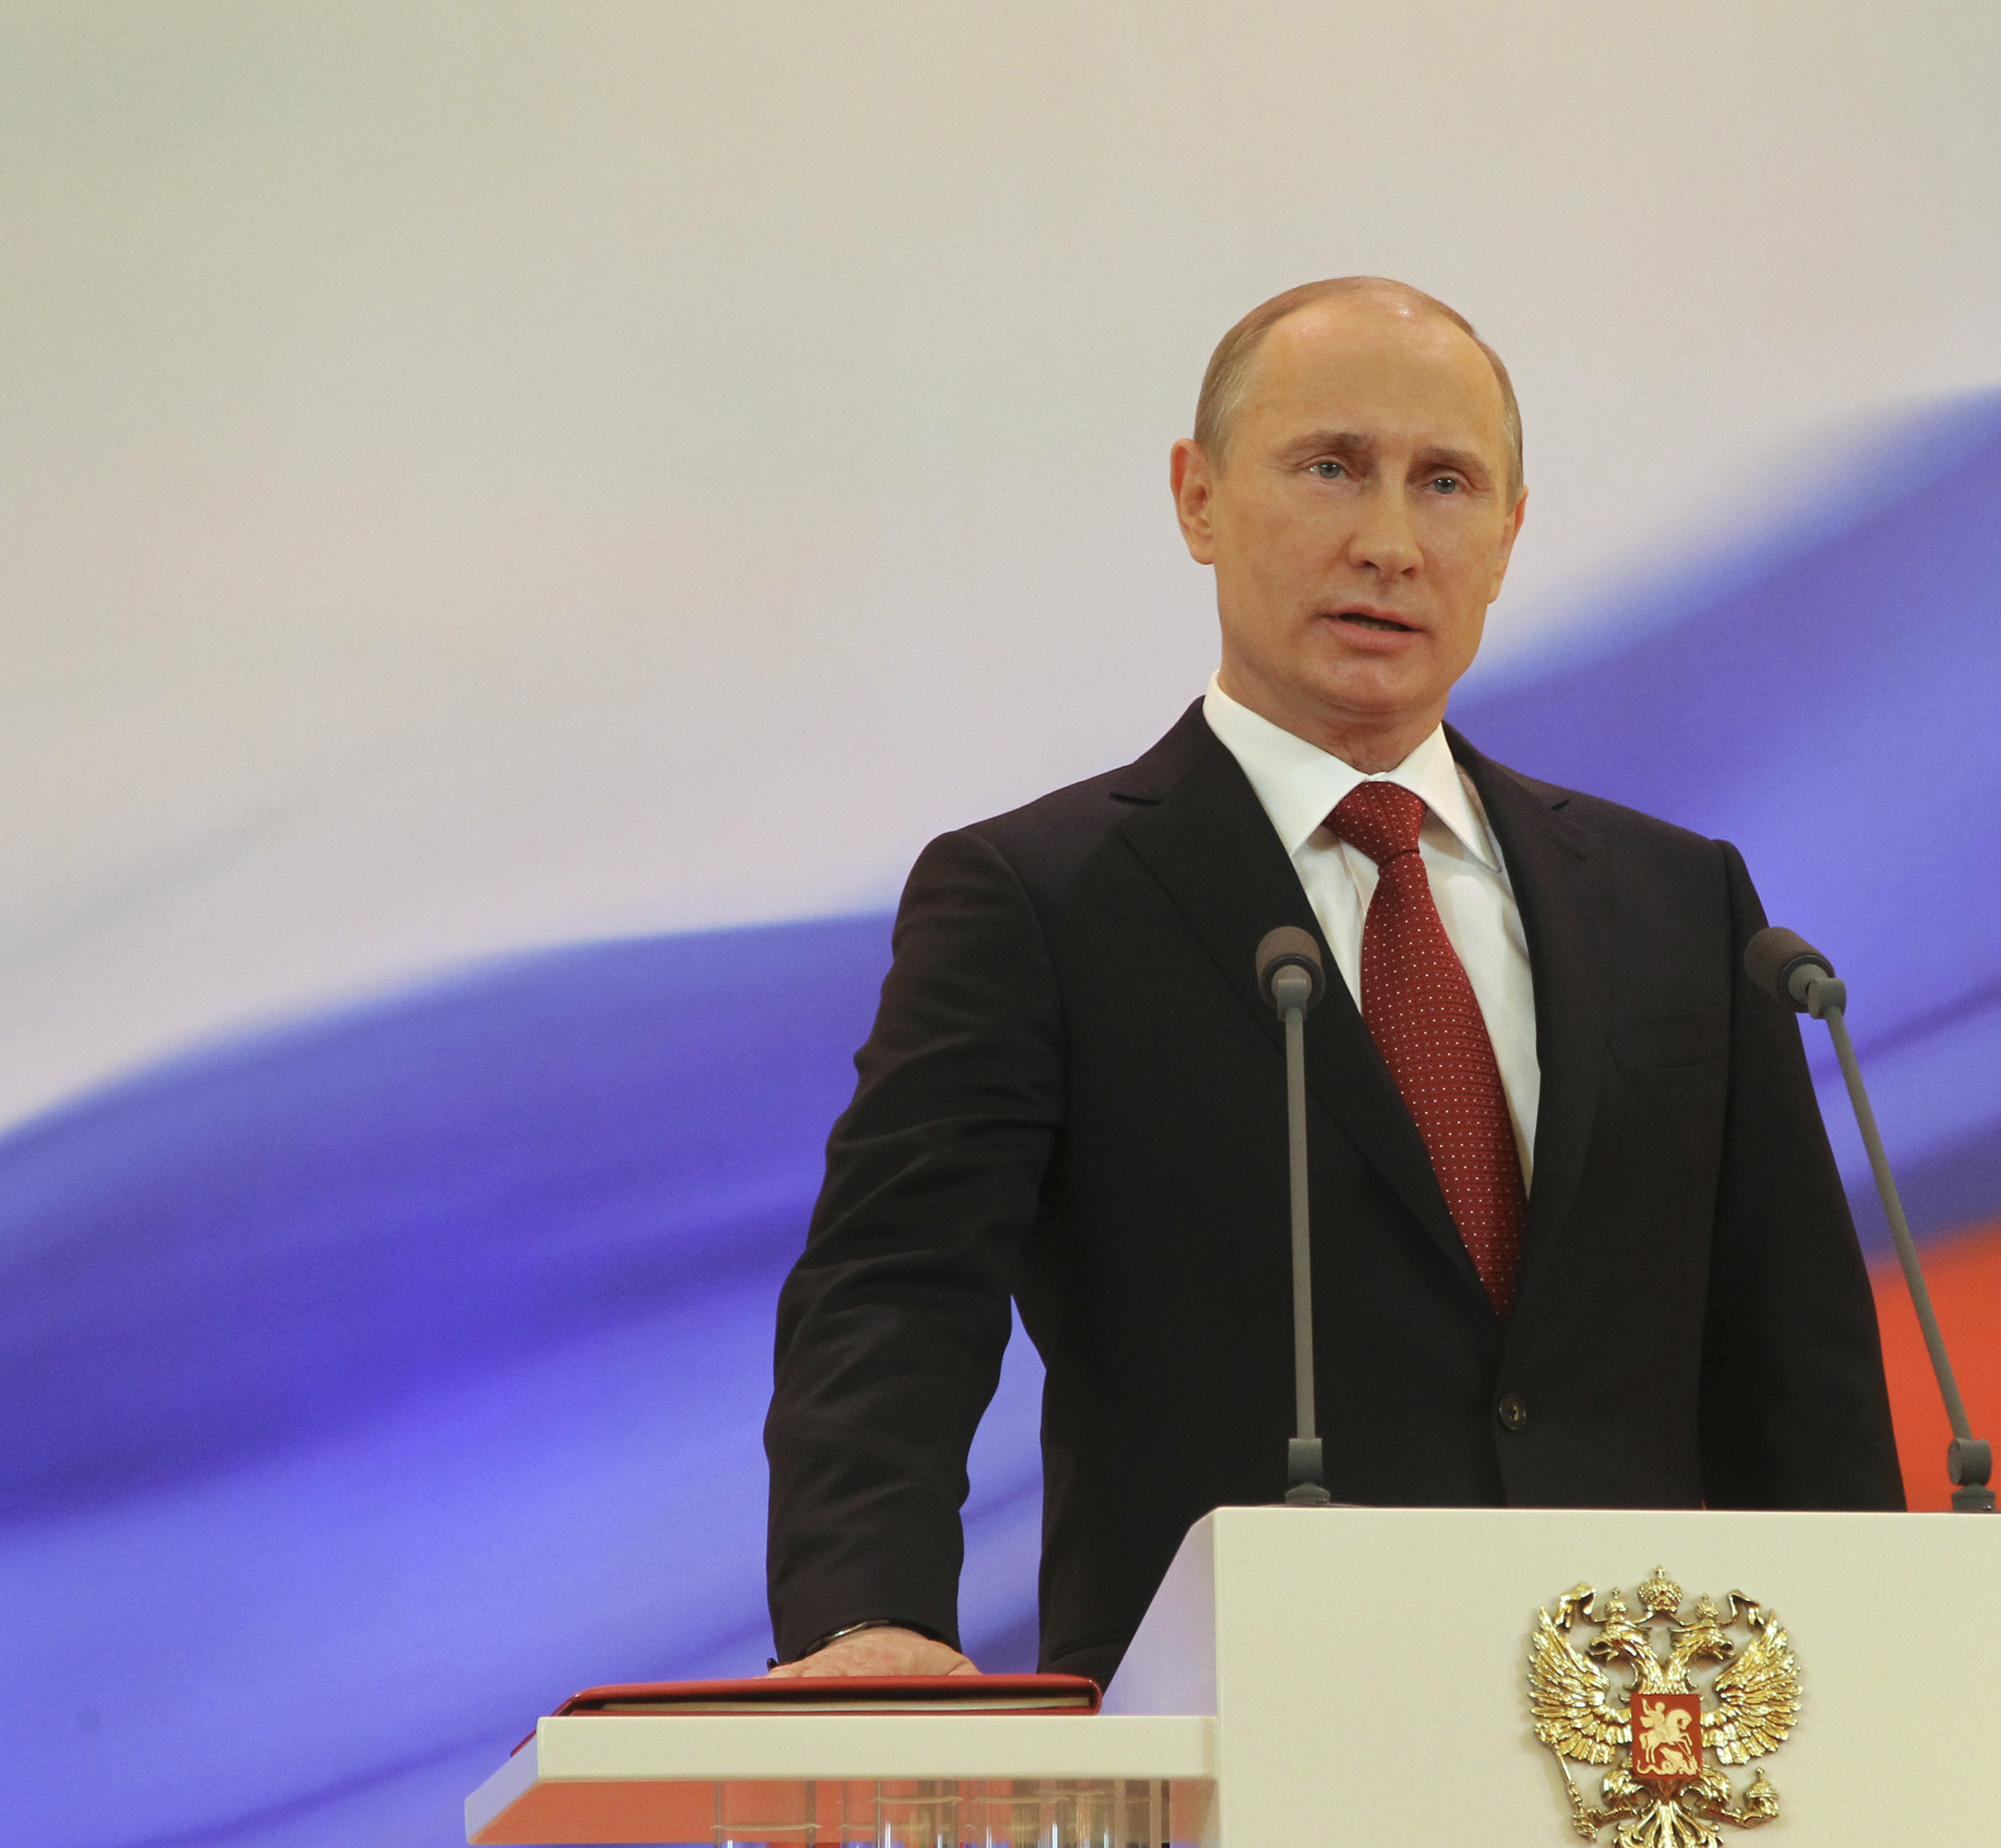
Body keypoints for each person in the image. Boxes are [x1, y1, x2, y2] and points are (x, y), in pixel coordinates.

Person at [764, 277, 1902, 1687]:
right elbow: (895, 1292)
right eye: (1329, 468)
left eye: (1444, 484)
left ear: (1507, 536)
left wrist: (1871, 1681)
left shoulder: (1681, 906)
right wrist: (865, 1613)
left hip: (1645, 1767)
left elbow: (1796, 1368)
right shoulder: (1040, 901)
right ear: (1196, 499)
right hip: (1235, 1746)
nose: (1388, 543)